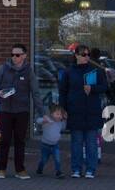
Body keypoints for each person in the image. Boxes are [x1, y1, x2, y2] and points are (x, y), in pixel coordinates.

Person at [0, 43, 40, 179]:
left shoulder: (29, 71)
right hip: (5, 110)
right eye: (12, 54)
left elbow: (35, 92)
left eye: (17, 55)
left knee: (20, 140)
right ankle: (1, 169)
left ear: (24, 56)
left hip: (22, 111)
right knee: (5, 139)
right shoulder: (3, 68)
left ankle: (20, 169)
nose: (14, 57)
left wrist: (43, 112)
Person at [61, 46, 108, 178]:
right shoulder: (69, 72)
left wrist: (92, 89)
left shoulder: (96, 70)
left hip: (91, 110)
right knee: (76, 142)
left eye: (88, 54)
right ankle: (76, 169)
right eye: (83, 54)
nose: (86, 56)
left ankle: (90, 169)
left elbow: (104, 87)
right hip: (75, 110)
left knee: (91, 142)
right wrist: (63, 108)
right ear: (76, 55)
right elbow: (63, 92)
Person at [35, 104, 67, 178]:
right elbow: (38, 121)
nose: (59, 116)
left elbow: (63, 128)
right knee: (44, 160)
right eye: (57, 114)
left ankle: (58, 172)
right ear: (52, 114)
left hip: (55, 145)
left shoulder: (60, 122)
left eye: (60, 114)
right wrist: (44, 120)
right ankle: (40, 169)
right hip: (45, 145)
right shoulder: (47, 121)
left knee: (57, 159)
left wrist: (65, 119)